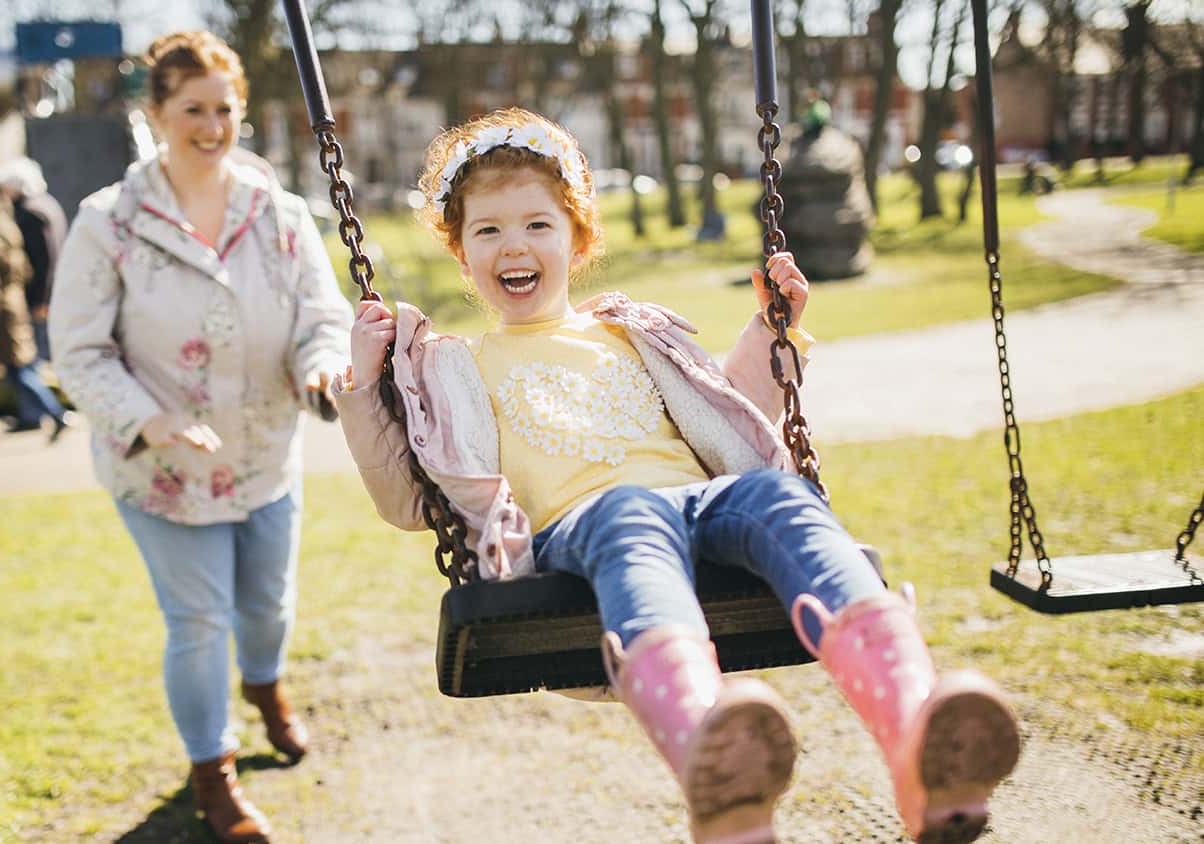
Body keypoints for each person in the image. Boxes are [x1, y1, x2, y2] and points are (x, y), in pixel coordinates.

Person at [338, 108, 1021, 844]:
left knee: (773, 493)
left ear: (578, 237)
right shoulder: (454, 367)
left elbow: (728, 420)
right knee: (629, 512)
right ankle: (711, 755)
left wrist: (771, 332)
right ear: (461, 251)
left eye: (538, 225)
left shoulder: (631, 332)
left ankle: (917, 729)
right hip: (590, 529)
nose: (515, 246)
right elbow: (410, 502)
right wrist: (365, 387)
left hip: (702, 504)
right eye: (489, 230)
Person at [47, 29, 352, 844]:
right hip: (163, 470)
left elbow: (322, 317)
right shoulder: (108, 223)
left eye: (225, 109)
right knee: (198, 622)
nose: (211, 125)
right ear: (155, 113)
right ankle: (212, 774)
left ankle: (265, 687)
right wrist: (151, 418)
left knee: (267, 606)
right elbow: (77, 350)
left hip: (262, 454)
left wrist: (322, 365)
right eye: (192, 109)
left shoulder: (279, 214)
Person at [0, 176, 70, 448]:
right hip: (14, 308)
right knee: (17, 370)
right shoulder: (7, 229)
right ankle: (54, 413)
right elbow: (25, 270)